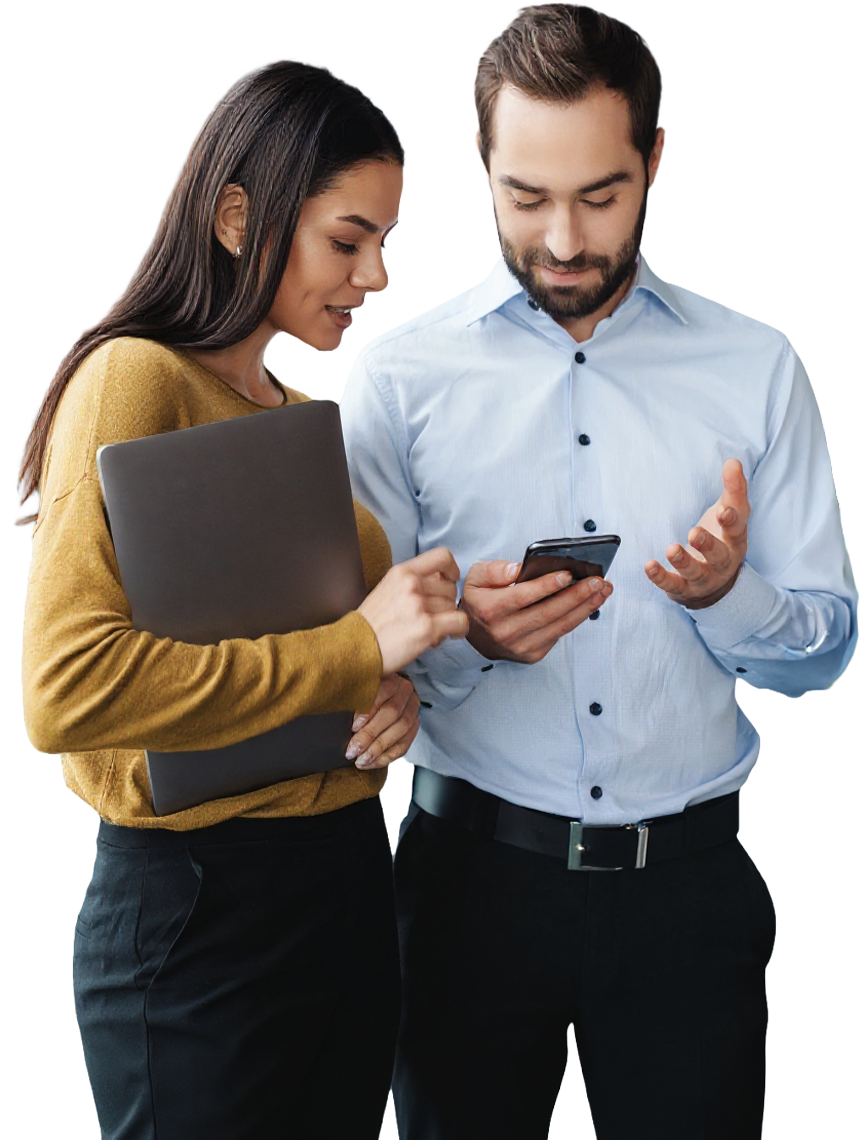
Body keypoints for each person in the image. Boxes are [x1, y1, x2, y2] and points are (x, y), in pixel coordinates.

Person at [341, 6, 858, 1139]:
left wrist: (733, 595)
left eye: (602, 194)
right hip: (467, 892)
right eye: (526, 198)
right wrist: (466, 642)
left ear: (656, 159)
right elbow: (362, 685)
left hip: (688, 901)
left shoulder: (757, 367)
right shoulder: (394, 384)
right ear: (482, 165)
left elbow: (831, 650)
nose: (565, 238)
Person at [19, 60, 467, 1140]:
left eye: (385, 246)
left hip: (347, 889)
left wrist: (390, 704)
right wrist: (355, 652)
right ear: (237, 215)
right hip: (199, 911)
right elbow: (64, 691)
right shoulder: (136, 379)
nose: (375, 277)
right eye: (347, 240)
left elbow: (335, 667)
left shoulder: (296, 417)